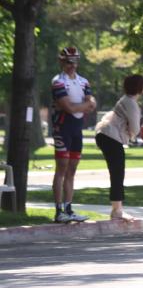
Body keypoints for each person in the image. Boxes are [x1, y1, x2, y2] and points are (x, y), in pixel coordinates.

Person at [51, 46, 96, 223]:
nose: (72, 65)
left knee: (72, 169)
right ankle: (58, 210)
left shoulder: (83, 81)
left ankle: (69, 209)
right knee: (61, 167)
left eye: (75, 62)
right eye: (69, 62)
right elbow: (68, 107)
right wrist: (81, 106)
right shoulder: (58, 82)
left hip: (77, 129)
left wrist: (78, 106)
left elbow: (92, 103)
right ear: (61, 62)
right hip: (62, 128)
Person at [95, 74, 143, 221]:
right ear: (140, 88)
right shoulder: (131, 103)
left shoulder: (124, 100)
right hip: (111, 137)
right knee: (117, 173)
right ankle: (117, 211)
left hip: (105, 134)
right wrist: (131, 134)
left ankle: (117, 209)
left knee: (116, 172)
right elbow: (135, 129)